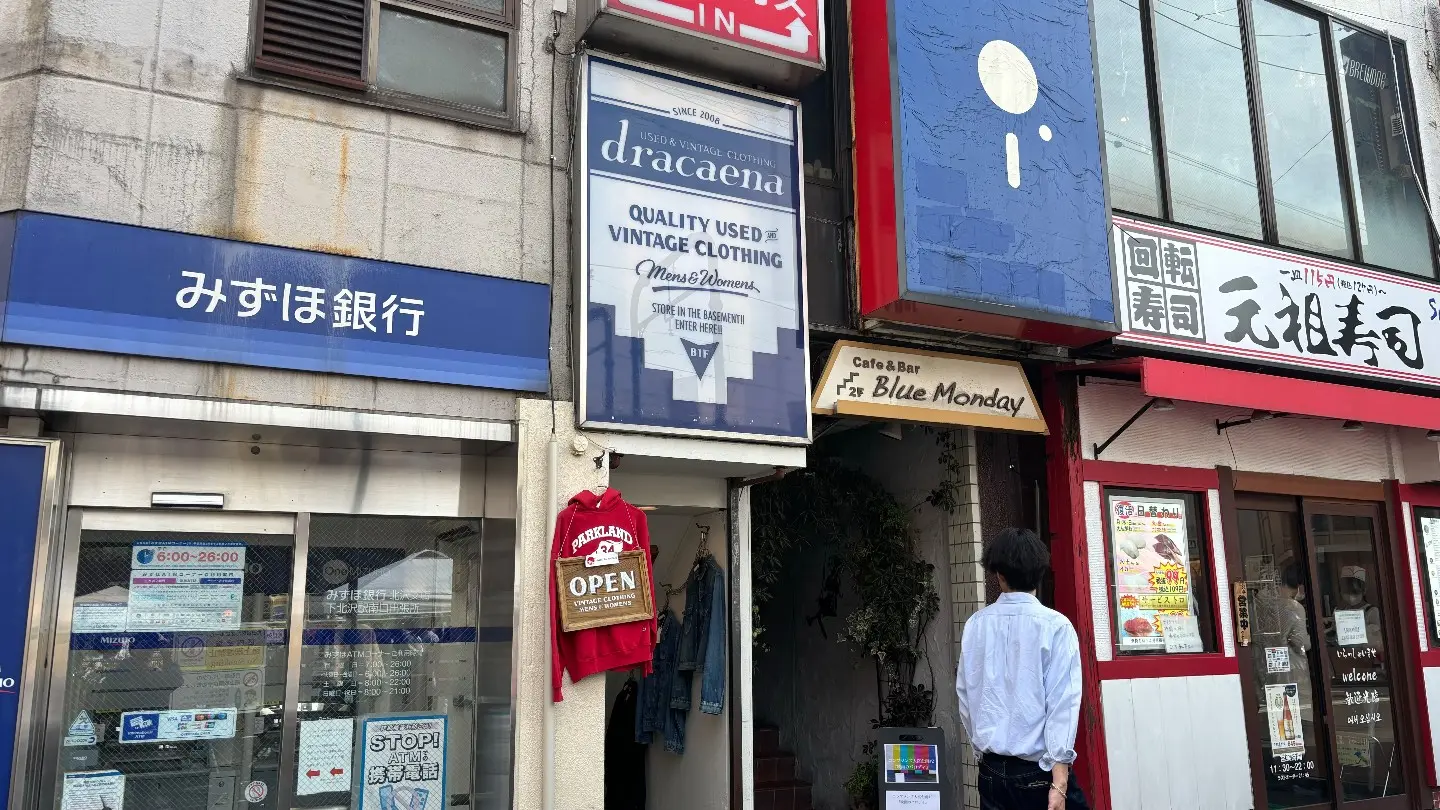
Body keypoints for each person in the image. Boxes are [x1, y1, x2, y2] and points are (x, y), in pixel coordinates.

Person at [957, 528, 1086, 810]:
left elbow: (965, 696)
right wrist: (1060, 782)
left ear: (998, 574)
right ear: (1040, 571)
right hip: (1038, 772)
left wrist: (981, 750)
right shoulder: (1055, 626)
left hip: (991, 770)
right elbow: (1063, 704)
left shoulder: (976, 625)